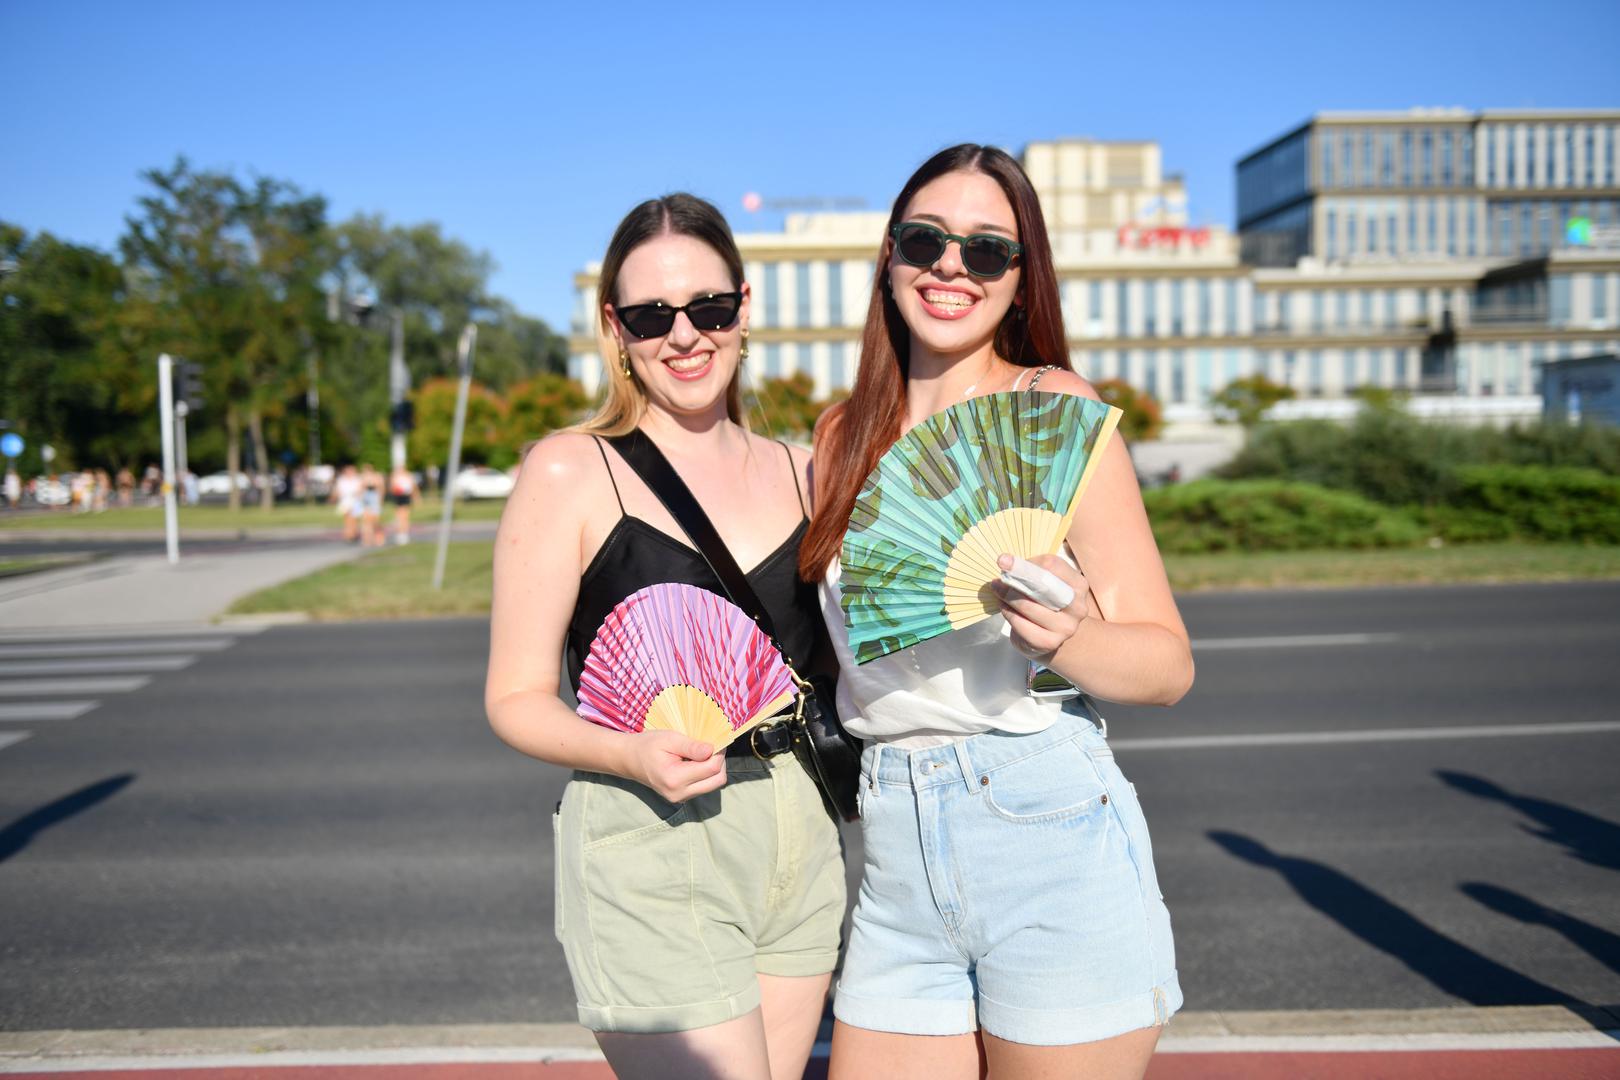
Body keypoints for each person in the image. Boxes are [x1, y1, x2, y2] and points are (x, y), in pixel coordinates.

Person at [801, 145, 1194, 1080]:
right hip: (893, 836)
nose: (951, 267)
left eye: (987, 251)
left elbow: (1168, 666)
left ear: (1022, 282)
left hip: (1043, 817)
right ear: (890, 257)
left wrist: (1074, 638)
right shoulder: (836, 434)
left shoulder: (1051, 407)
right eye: (926, 240)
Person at [485, 193, 845, 1080]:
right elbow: (515, 699)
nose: (684, 335)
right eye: (652, 314)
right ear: (616, 327)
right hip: (651, 829)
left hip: (800, 835)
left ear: (743, 310)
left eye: (708, 308)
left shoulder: (807, 472)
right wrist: (632, 753)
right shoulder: (570, 469)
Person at [330, 464, 361, 543]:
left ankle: (353, 532)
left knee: (354, 518)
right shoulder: (342, 480)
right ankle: (348, 534)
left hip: (355, 501)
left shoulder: (357, 479)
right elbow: (338, 490)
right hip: (345, 501)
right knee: (347, 518)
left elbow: (360, 490)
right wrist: (334, 497)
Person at [388, 464, 418, 545]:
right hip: (398, 496)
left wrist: (415, 496)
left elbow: (413, 486)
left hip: (406, 496)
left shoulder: (408, 475)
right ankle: (399, 533)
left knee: (405, 515)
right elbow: (392, 486)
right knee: (399, 515)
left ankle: (404, 533)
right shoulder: (395, 476)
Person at [358, 464, 385, 547]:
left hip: (374, 498)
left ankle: (379, 538)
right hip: (366, 499)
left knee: (375, 521)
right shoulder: (362, 478)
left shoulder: (377, 476)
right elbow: (360, 489)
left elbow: (381, 488)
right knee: (366, 521)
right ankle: (367, 539)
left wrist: (380, 499)